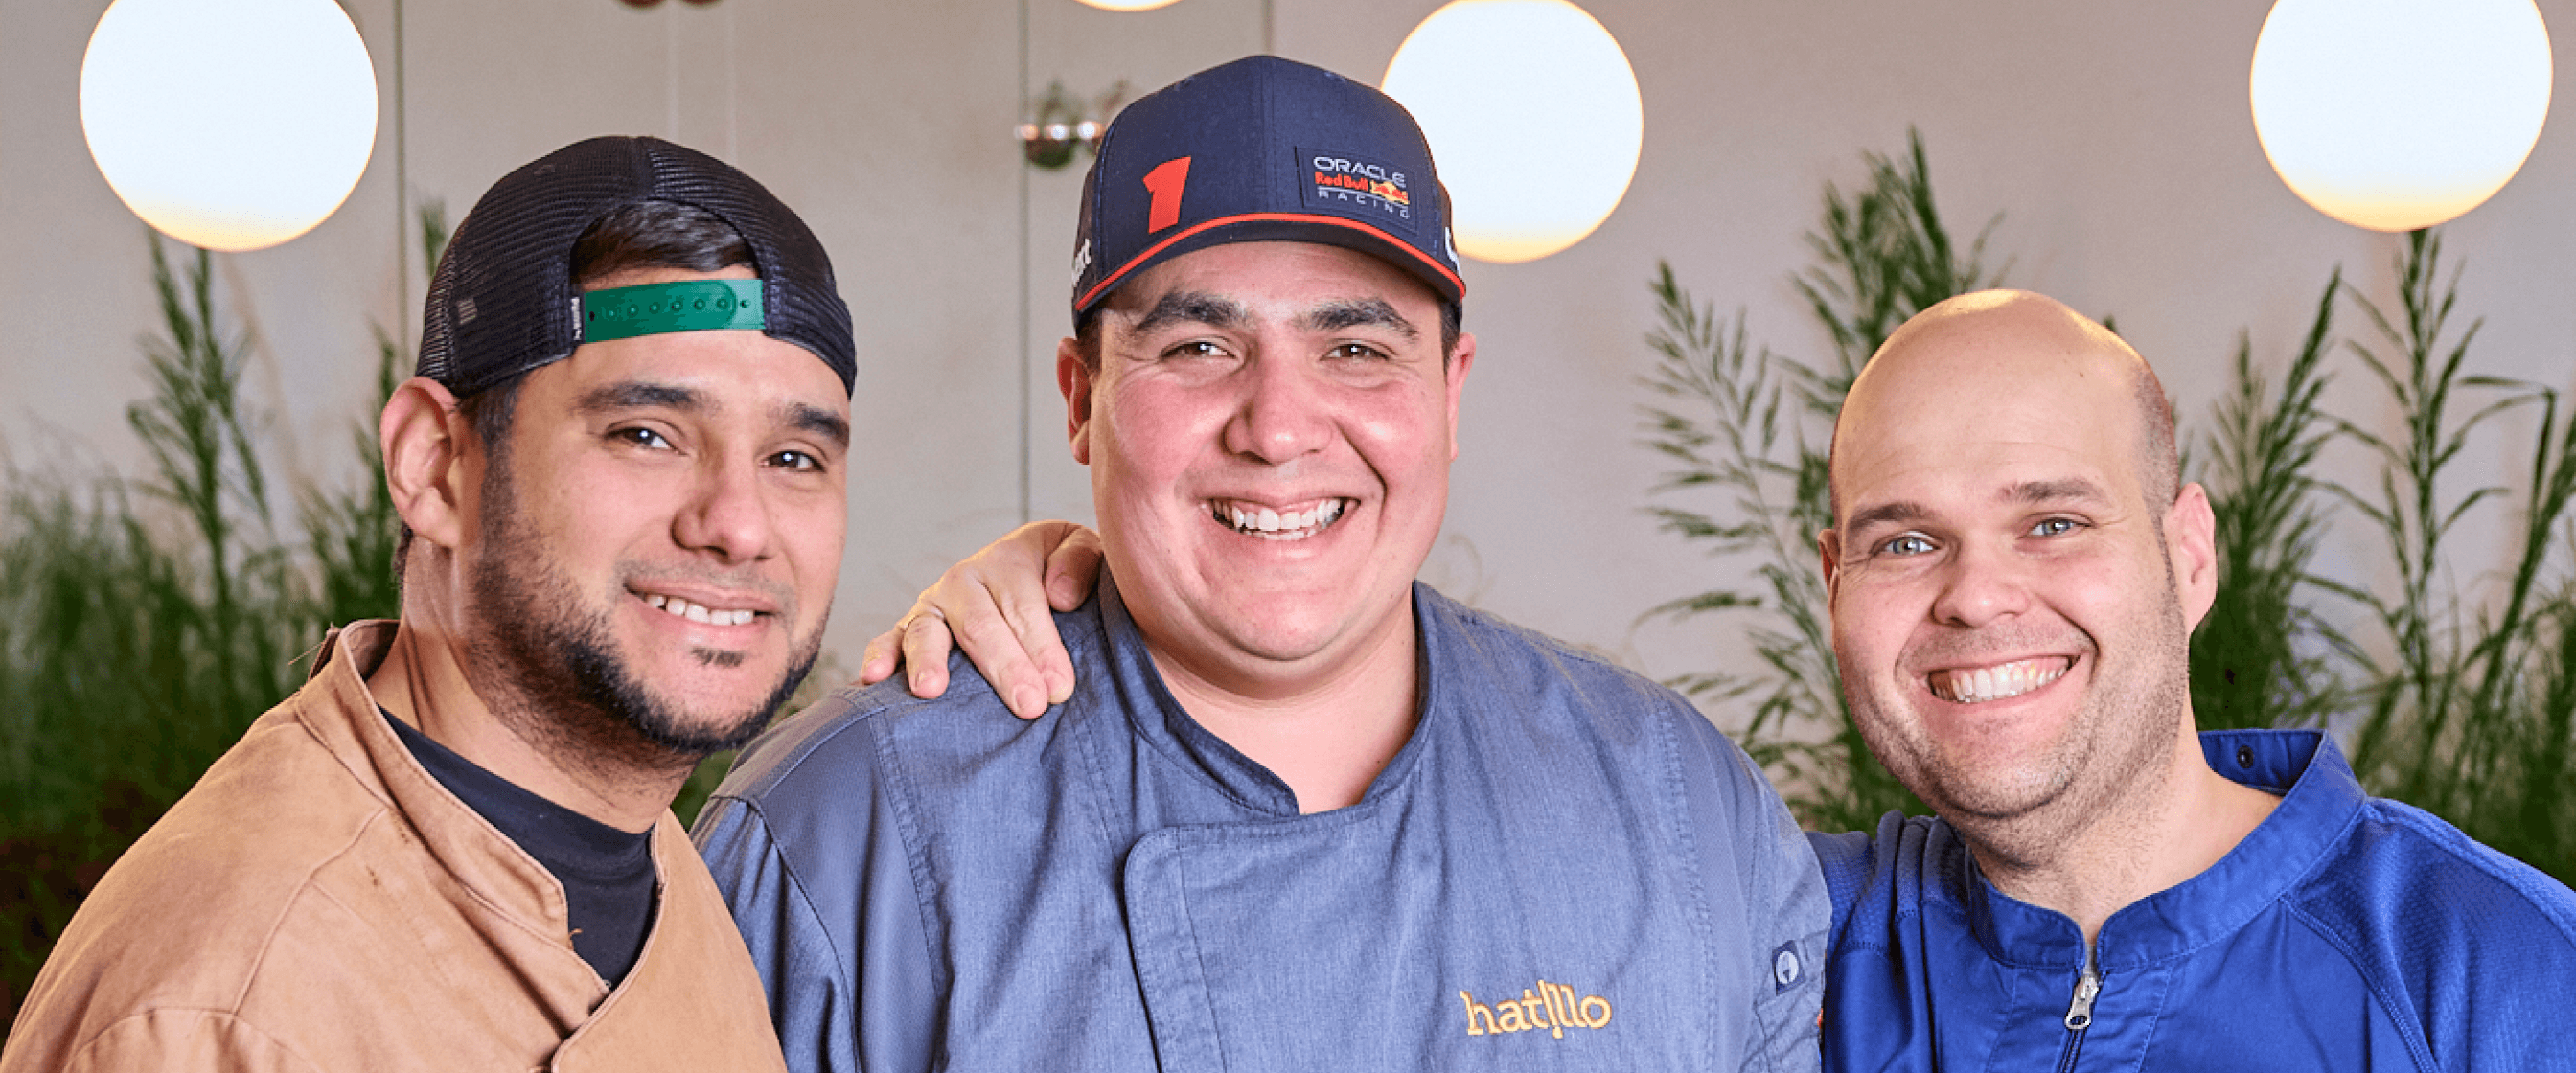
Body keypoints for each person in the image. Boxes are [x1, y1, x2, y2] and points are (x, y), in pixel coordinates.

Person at [888, 289, 2576, 1070]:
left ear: (2187, 555)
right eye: (1903, 542)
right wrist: (1120, 583)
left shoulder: (2488, 978)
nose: (1978, 600)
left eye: (2052, 521)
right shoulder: (1749, 914)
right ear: (1831, 585)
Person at [692, 56, 1828, 1073]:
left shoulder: (1681, 803)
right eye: (1198, 346)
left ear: (1450, 391)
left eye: (1355, 348)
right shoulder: (841, 839)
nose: (1279, 428)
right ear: (1084, 402)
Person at [2, 135, 858, 1072]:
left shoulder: (662, 878)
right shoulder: (222, 1011)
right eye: (646, 433)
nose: (738, 524)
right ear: (433, 465)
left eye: (794, 458)